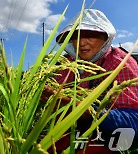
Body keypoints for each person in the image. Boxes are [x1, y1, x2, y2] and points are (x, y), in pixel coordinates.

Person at [41, 9, 138, 153]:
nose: (81, 43)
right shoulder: (64, 67)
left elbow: (134, 121)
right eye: (76, 36)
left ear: (106, 38)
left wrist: (88, 113)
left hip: (103, 141)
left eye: (90, 36)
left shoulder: (121, 64)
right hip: (63, 140)